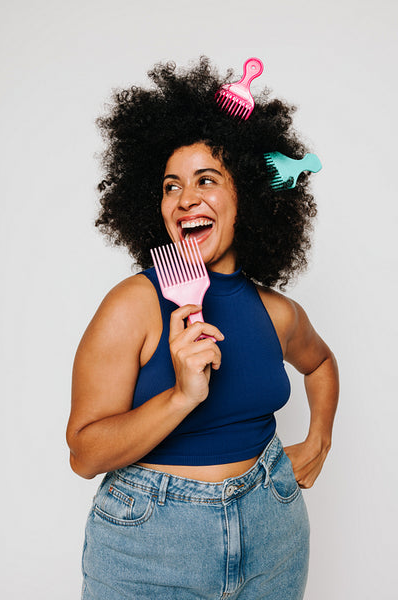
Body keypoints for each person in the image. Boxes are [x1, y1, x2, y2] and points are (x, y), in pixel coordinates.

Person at [66, 57, 339, 600]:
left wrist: (320, 439)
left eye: (206, 180)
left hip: (273, 526)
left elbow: (321, 363)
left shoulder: (277, 312)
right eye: (171, 186)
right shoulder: (135, 304)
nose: (185, 198)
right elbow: (84, 454)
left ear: (250, 199)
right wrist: (181, 397)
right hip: (151, 544)